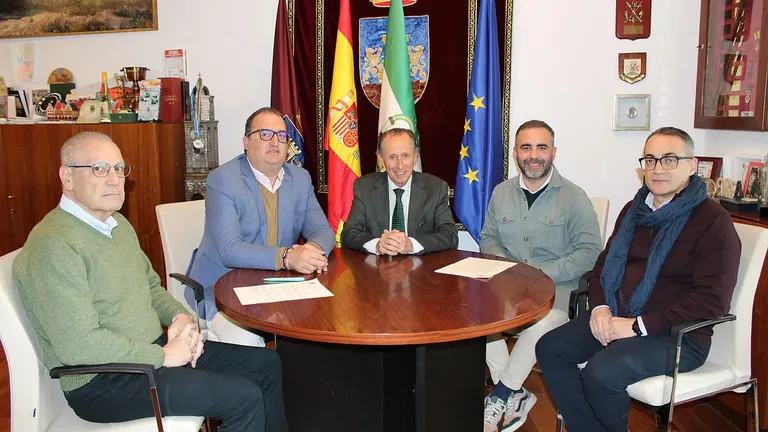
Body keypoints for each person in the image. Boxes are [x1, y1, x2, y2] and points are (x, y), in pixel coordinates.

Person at [12, 132, 288, 432]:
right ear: (67, 177)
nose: (115, 180)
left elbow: (152, 288)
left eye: (119, 169)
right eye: (99, 169)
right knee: (242, 398)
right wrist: (165, 356)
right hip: (104, 382)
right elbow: (79, 346)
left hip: (146, 355)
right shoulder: (53, 244)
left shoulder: (116, 225)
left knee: (265, 365)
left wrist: (178, 317)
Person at [536, 127, 741, 432]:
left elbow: (712, 301)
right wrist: (601, 309)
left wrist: (637, 326)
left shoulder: (712, 222)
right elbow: (603, 266)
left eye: (669, 160)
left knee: (601, 373)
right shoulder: (634, 210)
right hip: (618, 316)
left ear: (691, 164)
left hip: (676, 336)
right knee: (551, 348)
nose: (657, 169)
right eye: (650, 159)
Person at [480, 120, 602, 432]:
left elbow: (590, 251)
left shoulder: (574, 197)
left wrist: (537, 276)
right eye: (526, 147)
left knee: (540, 327)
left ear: (553, 152)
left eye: (541, 147)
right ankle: (516, 393)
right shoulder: (501, 192)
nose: (534, 155)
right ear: (516, 153)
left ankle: (502, 393)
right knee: (479, 320)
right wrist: (510, 270)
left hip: (557, 292)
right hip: (507, 286)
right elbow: (488, 238)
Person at [189, 107, 335, 346]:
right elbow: (230, 251)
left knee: (323, 326)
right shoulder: (223, 179)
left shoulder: (299, 178)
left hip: (277, 289)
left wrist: (312, 251)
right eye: (265, 134)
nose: (275, 142)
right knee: (251, 343)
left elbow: (323, 230)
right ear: (246, 142)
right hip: (224, 293)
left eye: (282, 135)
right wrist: (288, 257)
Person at [341, 128, 458, 255]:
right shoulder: (364, 187)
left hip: (422, 270)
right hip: (376, 270)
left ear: (415, 156)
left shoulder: (435, 188)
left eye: (405, 156)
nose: (400, 165)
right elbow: (348, 234)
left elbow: (450, 235)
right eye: (392, 157)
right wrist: (378, 244)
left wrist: (412, 245)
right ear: (381, 158)